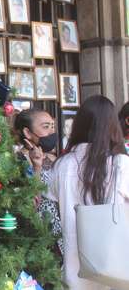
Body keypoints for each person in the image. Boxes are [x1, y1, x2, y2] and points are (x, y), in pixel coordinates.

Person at [46, 95, 129, 289]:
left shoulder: (62, 165)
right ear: (112, 126)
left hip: (75, 271)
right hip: (117, 270)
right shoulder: (121, 164)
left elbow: (50, 208)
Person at [14, 109, 63, 255]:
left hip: (59, 232)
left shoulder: (55, 159)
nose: (51, 132)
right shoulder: (17, 161)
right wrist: (36, 167)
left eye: (52, 126)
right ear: (28, 133)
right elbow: (31, 201)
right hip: (34, 234)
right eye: (45, 127)